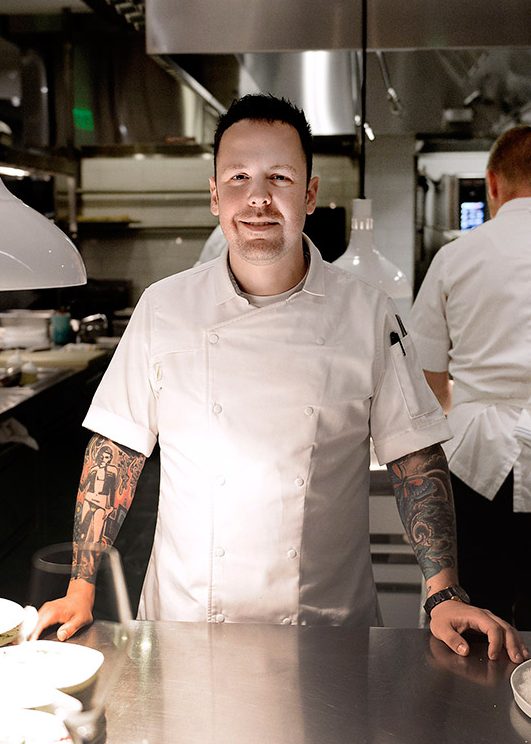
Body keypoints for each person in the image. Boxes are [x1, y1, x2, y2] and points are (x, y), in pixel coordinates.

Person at [33, 95, 527, 663]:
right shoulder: (162, 308)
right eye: (239, 177)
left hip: (324, 631)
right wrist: (80, 586)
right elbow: (116, 448)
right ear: (215, 194)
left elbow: (415, 458)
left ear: (310, 194)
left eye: (280, 177)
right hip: (187, 624)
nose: (259, 197)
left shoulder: (367, 313)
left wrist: (443, 591)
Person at [409, 125, 531, 629]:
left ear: (492, 184)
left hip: (479, 463)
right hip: (489, 453)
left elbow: (429, 385)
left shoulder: (456, 257)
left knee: (480, 620)